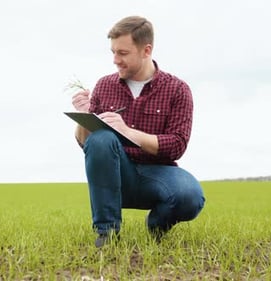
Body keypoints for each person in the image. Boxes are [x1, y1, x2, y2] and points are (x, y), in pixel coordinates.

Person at [71, 16, 205, 248]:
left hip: (158, 175)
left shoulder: (177, 90)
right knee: (101, 139)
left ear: (146, 50)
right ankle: (108, 234)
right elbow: (87, 144)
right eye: (113, 52)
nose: (115, 60)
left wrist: (128, 132)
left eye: (122, 53)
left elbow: (177, 145)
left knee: (190, 196)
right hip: (117, 174)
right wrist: (85, 117)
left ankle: (156, 225)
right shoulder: (105, 85)